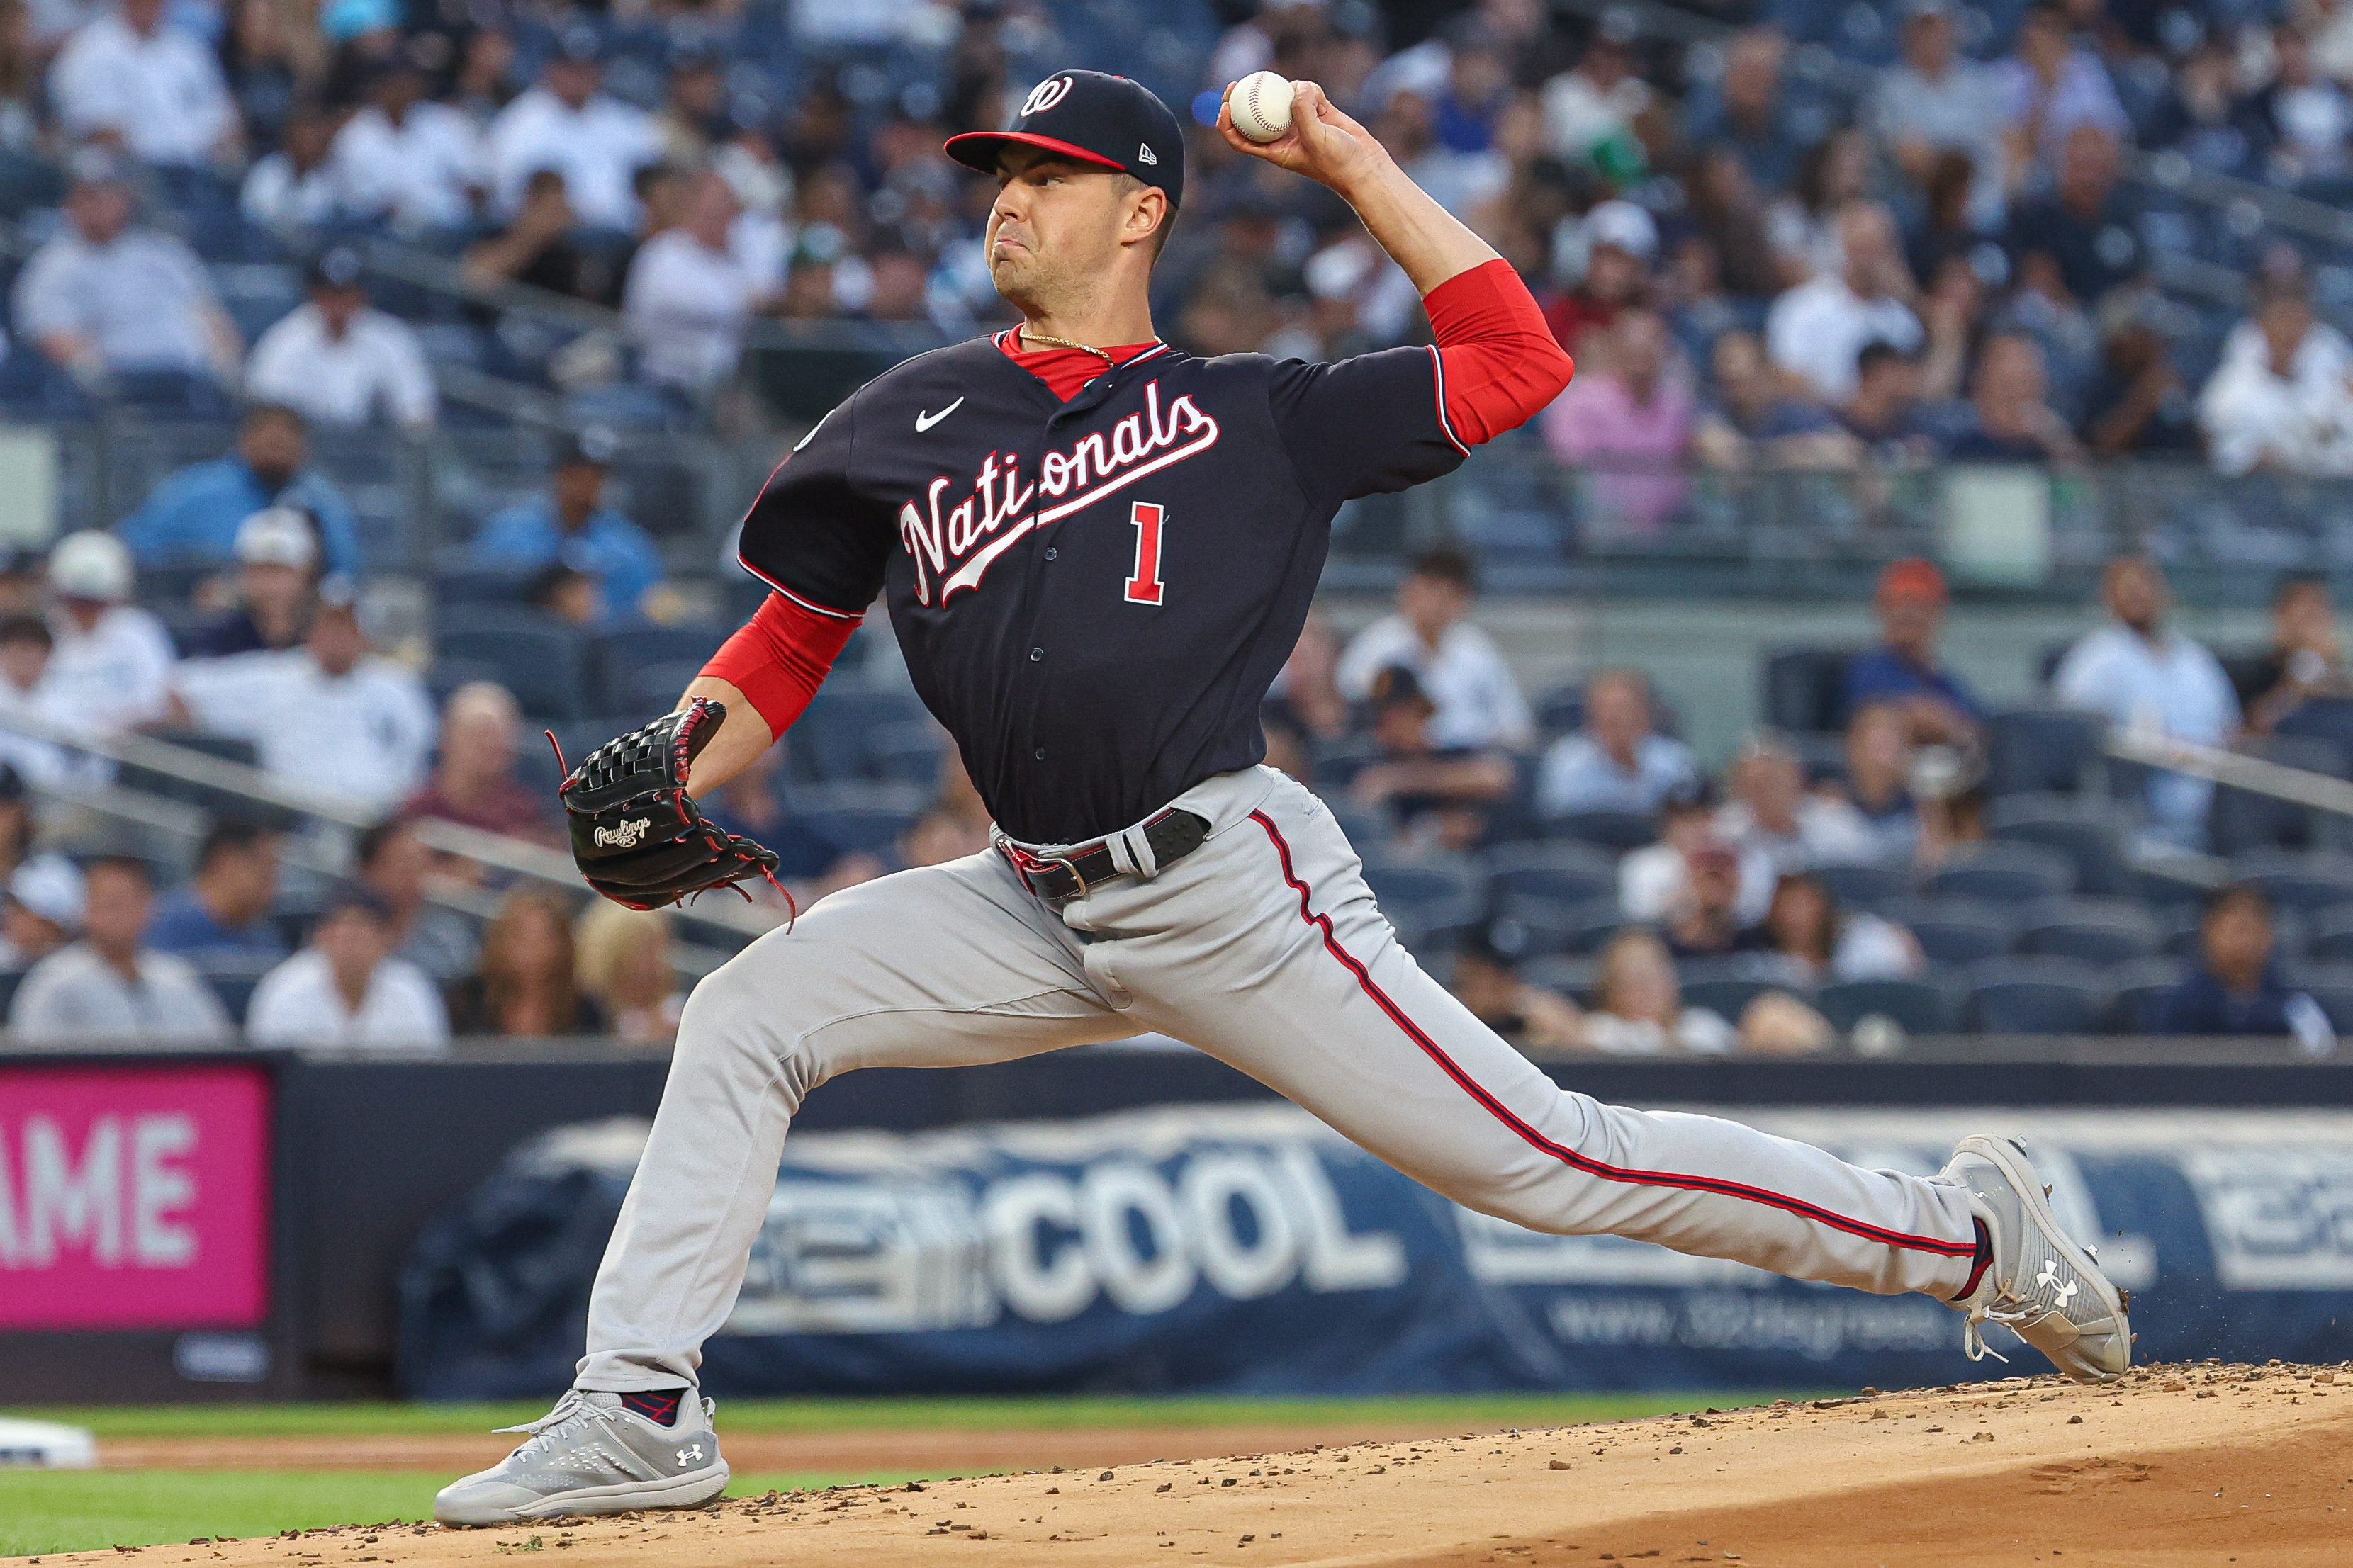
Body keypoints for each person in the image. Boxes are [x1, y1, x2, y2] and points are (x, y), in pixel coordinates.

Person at [435, 69, 2122, 1528]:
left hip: (1223, 884)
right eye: (998, 178)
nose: (1007, 201)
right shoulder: (913, 416)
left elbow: (1516, 358)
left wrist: (1347, 162)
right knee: (747, 1016)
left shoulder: (1263, 414)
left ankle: (1973, 1240)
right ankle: (642, 1412)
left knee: (1555, 1161)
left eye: (1046, 178)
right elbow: (792, 637)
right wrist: (682, 742)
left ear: (1143, 213)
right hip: (1024, 896)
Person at [171, 594, 437, 813]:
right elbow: (182, 687)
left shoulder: (397, 686)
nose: (337, 637)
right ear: (312, 632)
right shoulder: (276, 675)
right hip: (295, 824)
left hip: (376, 825)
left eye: (346, 628)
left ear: (364, 636)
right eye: (329, 626)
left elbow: (423, 751)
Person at [2053, 554, 2239, 852]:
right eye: (2128, 588)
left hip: (2212, 815)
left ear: (2166, 594)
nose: (2139, 595)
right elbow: (2073, 742)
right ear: (2108, 598)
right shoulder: (2095, 661)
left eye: (2146, 585)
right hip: (2138, 822)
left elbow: (2231, 729)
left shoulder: (2197, 660)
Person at [13, 155, 240, 393]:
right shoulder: (51, 267)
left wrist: (228, 373)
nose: (101, 203)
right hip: (123, 387)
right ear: (70, 203)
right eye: (90, 195)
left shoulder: (164, 253)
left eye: (109, 193)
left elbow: (211, 317)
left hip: (191, 380)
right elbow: (58, 342)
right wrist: (109, 391)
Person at [116, 404, 363, 577]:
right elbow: (134, 548)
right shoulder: (194, 492)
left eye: (286, 443)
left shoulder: (322, 500)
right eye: (271, 441)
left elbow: (346, 571)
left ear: (304, 449)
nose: (277, 450)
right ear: (245, 441)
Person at [9, 856, 232, 1045]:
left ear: (150, 906)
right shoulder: (55, 981)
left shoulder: (178, 978)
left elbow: (217, 1053)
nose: (116, 914)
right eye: (107, 902)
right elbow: (31, 1073)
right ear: (85, 908)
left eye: (126, 902)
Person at [1335, 546, 1531, 752]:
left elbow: (1515, 725)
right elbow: (1355, 713)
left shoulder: (1478, 649)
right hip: (1398, 759)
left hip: (1470, 760)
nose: (1439, 601)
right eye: (1433, 587)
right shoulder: (1376, 645)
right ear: (1408, 589)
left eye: (1452, 592)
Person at [471, 431, 664, 626]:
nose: (587, 483)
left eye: (597, 475)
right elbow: (486, 600)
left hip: (603, 646)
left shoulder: (629, 544)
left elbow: (646, 608)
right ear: (560, 474)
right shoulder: (509, 531)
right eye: (577, 472)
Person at [243, 247, 438, 432]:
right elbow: (267, 415)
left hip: (377, 454)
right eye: (330, 293)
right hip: (306, 453)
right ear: (313, 293)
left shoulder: (392, 339)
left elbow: (418, 416)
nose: (338, 303)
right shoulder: (285, 340)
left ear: (363, 294)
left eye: (347, 292)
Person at [485, 28, 661, 232]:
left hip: (629, 235)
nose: (578, 77)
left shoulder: (628, 122)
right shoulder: (517, 123)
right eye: (570, 67)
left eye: (586, 67)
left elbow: (654, 182)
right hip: (559, 242)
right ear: (550, 68)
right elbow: (508, 200)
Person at [1540, 307, 1693, 534]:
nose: (1640, 352)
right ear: (1615, 347)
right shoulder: (1580, 401)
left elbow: (1688, 465)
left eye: (1649, 344)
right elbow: (1571, 475)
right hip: (1598, 531)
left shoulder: (1677, 402)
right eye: (1633, 345)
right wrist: (1622, 520)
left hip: (1670, 530)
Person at [246, 881, 449, 1051]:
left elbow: (429, 1070)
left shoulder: (411, 989)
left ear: (385, 938)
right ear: (322, 936)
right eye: (341, 929)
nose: (350, 941)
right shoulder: (286, 988)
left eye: (361, 930)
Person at [1868, 0, 2007, 231]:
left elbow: (2008, 141)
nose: (1932, 37)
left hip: (1987, 200)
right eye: (1923, 28)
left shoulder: (1979, 81)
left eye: (1939, 28)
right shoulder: (1892, 87)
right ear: (1908, 34)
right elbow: (1910, 156)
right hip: (1925, 205)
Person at [1764, 202, 1924, 404]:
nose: (1875, 258)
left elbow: (1915, 389)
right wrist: (1852, 407)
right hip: (1821, 423)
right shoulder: (1802, 308)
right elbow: (1787, 380)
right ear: (1846, 248)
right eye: (1865, 247)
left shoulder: (1901, 319)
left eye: (1882, 247)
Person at [47, 0, 237, 169]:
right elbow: (96, 129)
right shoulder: (89, 49)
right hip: (130, 172)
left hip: (200, 167)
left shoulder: (187, 47)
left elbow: (225, 117)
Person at [622, 168, 758, 400]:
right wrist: (750, 300)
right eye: (713, 209)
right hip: (663, 387)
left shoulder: (730, 261)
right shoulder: (664, 252)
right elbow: (702, 303)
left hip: (723, 390)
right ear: (692, 206)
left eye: (727, 210)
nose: (721, 218)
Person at [2198, 275, 2353, 478]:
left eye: (2299, 321)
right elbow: (2230, 458)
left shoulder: (2333, 375)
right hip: (2254, 499)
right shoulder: (2231, 389)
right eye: (2283, 319)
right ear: (2262, 326)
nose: (2291, 331)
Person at [1349, 665, 1512, 852]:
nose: (1394, 726)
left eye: (1404, 714)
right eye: (1382, 720)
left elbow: (1495, 778)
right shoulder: (1368, 764)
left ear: (1423, 713)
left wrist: (1398, 779)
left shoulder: (1449, 756)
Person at [2148, 884, 2332, 1047]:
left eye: (2254, 929)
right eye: (2236, 930)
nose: (2245, 941)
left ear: (2269, 936)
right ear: (2208, 933)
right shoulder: (2180, 1005)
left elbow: (2320, 1055)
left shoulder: (2296, 1005)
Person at [40, 529, 174, 738]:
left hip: (130, 750)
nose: (84, 610)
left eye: (94, 602)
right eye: (76, 601)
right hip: (58, 746)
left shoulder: (139, 632)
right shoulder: (41, 634)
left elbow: (159, 702)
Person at [328, 55, 484, 234]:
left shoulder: (443, 121)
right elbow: (358, 201)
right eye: (397, 82)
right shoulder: (355, 136)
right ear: (380, 87)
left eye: (410, 80)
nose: (405, 89)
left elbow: (477, 182)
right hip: (384, 234)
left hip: (451, 229)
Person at [1843, 558, 1984, 744]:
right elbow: (1878, 716)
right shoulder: (1869, 670)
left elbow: (1979, 727)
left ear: (1940, 616)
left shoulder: (1944, 681)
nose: (1908, 614)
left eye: (1922, 607)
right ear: (1880, 611)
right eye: (1897, 605)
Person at [2005, 125, 2143, 311]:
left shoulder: (2124, 217)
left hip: (2115, 321)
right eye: (2083, 167)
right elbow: (2039, 280)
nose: (2090, 178)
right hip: (2059, 317)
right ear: (2065, 167)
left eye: (2098, 168)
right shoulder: (2038, 217)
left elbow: (2141, 278)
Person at [1991, 1, 2130, 181]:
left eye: (2049, 29)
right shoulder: (2003, 75)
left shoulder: (2086, 68)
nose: (2039, 37)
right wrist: (2046, 86)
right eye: (2036, 27)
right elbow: (2017, 146)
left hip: (2076, 173)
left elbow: (2110, 131)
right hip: (2027, 174)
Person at [1535, 667, 1697, 818]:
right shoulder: (1565, 760)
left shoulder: (1674, 758)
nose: (1618, 717)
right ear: (1591, 715)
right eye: (1609, 710)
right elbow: (1559, 816)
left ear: (1645, 713)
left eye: (1627, 709)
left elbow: (1688, 814)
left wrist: (1632, 764)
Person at [444, 888, 605, 1037]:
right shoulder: (467, 999)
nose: (531, 950)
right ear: (499, 941)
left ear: (563, 946)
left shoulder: (584, 1008)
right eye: (520, 938)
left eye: (543, 940)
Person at [405, 680, 551, 840]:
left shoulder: (527, 818)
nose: (489, 745)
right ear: (447, 739)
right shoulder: (415, 816)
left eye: (499, 737)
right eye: (479, 735)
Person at [1716, 733, 1879, 872]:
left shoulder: (1835, 820)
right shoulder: (1725, 834)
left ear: (1797, 778)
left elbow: (1868, 872)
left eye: (1773, 781)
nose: (1765, 792)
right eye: (1754, 785)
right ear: (1739, 790)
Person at [1741, 871, 1923, 988]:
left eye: (1803, 905)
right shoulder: (1760, 969)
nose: (1794, 916)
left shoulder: (1860, 945)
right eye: (1786, 906)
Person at [179, 507, 318, 659]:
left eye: (278, 571)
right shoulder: (220, 638)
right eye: (259, 571)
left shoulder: (327, 633)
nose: (269, 585)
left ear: (305, 571)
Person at [354, 815, 478, 981]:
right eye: (405, 863)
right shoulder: (339, 928)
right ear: (371, 869)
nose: (415, 875)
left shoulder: (446, 938)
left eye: (421, 864)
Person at [145, 817, 286, 964]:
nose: (274, 886)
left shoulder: (265, 939)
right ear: (226, 861)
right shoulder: (159, 924)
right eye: (266, 871)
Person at [2237, 571, 2353, 734]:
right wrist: (2299, 680)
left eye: (2322, 613)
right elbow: (2249, 731)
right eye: (2307, 616)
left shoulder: (2341, 676)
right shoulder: (2250, 675)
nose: (2316, 627)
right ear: (2281, 618)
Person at [1945, 333, 2080, 463]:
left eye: (2026, 383)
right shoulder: (1954, 437)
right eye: (2006, 385)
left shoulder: (2047, 445)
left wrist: (2056, 439)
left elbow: (2084, 482)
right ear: (1980, 386)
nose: (2015, 398)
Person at [1448, 925, 1583, 1052]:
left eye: (1507, 974)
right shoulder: (1446, 1015)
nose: (1501, 985)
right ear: (1465, 971)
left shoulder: (1531, 1016)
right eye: (1487, 973)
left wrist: (1553, 1041)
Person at [574, 899, 683, 1047]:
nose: (653, 962)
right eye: (641, 950)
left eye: (659, 947)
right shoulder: (584, 1020)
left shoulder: (683, 1014)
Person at [0, 854, 85, 971]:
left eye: (20, 909)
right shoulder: (7, 955)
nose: (8, 913)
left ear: (50, 925)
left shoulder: (75, 972)